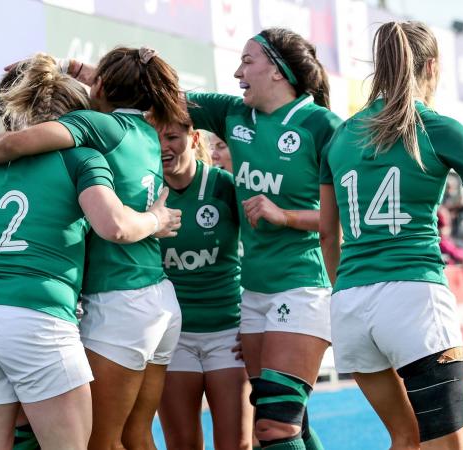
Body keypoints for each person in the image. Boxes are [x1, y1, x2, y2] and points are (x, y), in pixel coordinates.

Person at [0, 53, 180, 450]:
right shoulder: (83, 157)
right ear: (76, 116)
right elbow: (114, 226)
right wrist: (156, 219)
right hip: (42, 319)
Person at [319, 21, 463, 450]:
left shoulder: (340, 137)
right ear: (432, 66)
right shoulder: (434, 126)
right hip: (414, 297)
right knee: (443, 446)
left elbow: (327, 237)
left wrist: (349, 288)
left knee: (404, 439)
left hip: (350, 302)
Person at [180, 28, 341, 449]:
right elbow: (161, 100)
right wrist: (83, 72)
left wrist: (284, 215)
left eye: (248, 61)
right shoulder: (232, 113)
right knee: (287, 421)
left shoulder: (322, 126)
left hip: (303, 285)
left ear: (278, 71)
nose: (238, 71)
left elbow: (346, 214)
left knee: (273, 425)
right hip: (253, 294)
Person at [152, 118, 252, 449]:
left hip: (227, 333)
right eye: (157, 139)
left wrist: (254, 320)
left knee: (237, 444)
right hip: (173, 337)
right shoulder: (144, 191)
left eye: (172, 136)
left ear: (194, 138)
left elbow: (262, 250)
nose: (164, 146)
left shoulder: (224, 185)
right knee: (181, 444)